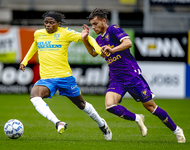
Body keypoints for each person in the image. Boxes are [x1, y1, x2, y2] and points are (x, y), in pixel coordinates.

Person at [81, 8, 186, 143]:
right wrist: (85, 39)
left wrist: (112, 49)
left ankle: (176, 130)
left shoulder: (113, 29)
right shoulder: (99, 40)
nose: (93, 27)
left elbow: (128, 43)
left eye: (95, 24)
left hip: (131, 76)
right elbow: (94, 53)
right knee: (110, 106)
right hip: (116, 78)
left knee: (150, 107)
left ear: (103, 21)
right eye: (92, 24)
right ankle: (137, 118)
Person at [19, 11, 112, 140]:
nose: (48, 25)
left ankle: (101, 124)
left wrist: (97, 49)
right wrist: (25, 60)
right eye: (46, 22)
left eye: (51, 22)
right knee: (35, 96)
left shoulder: (65, 33)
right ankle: (58, 122)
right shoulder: (38, 34)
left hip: (64, 78)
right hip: (47, 79)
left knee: (81, 105)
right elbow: (35, 45)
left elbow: (87, 37)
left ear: (58, 24)